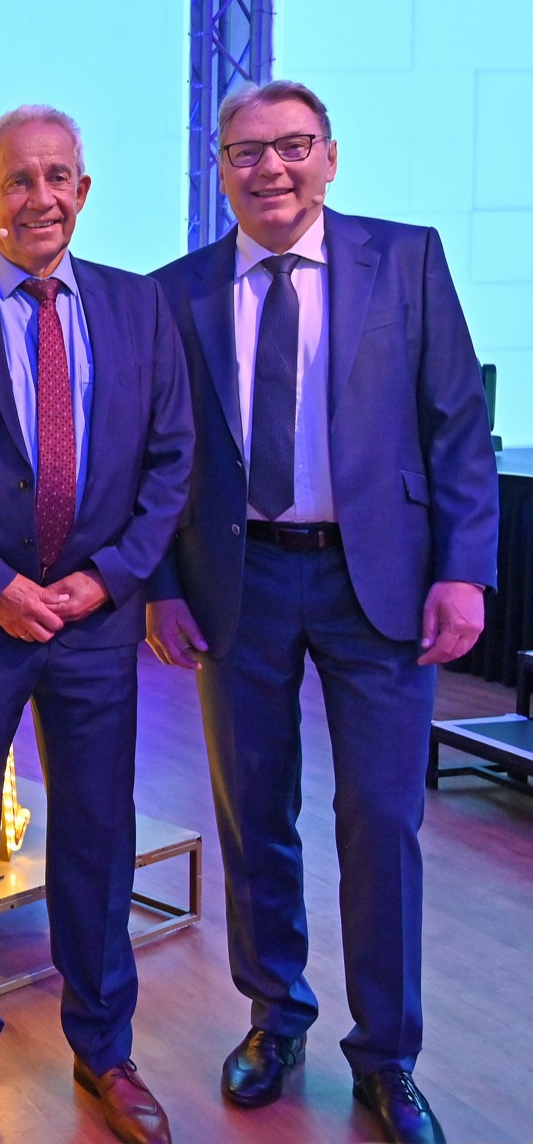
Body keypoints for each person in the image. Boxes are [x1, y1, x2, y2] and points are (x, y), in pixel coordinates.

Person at [146, 80, 496, 1144]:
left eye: (294, 145)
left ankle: (388, 1055)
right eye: (247, 151)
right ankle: (276, 1015)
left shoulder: (407, 260)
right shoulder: (177, 291)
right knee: (254, 810)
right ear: (221, 169)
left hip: (377, 581)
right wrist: (162, 584)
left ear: (331, 156)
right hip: (238, 582)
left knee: (382, 818)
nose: (273, 168)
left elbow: (457, 425)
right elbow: (159, 455)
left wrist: (464, 569)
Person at [0, 106, 193, 1143]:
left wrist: (107, 579)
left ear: (84, 192)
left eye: (58, 177)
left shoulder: (140, 306)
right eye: (18, 180)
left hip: (95, 625)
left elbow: (171, 460)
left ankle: (104, 1049)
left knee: (99, 837)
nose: (40, 198)